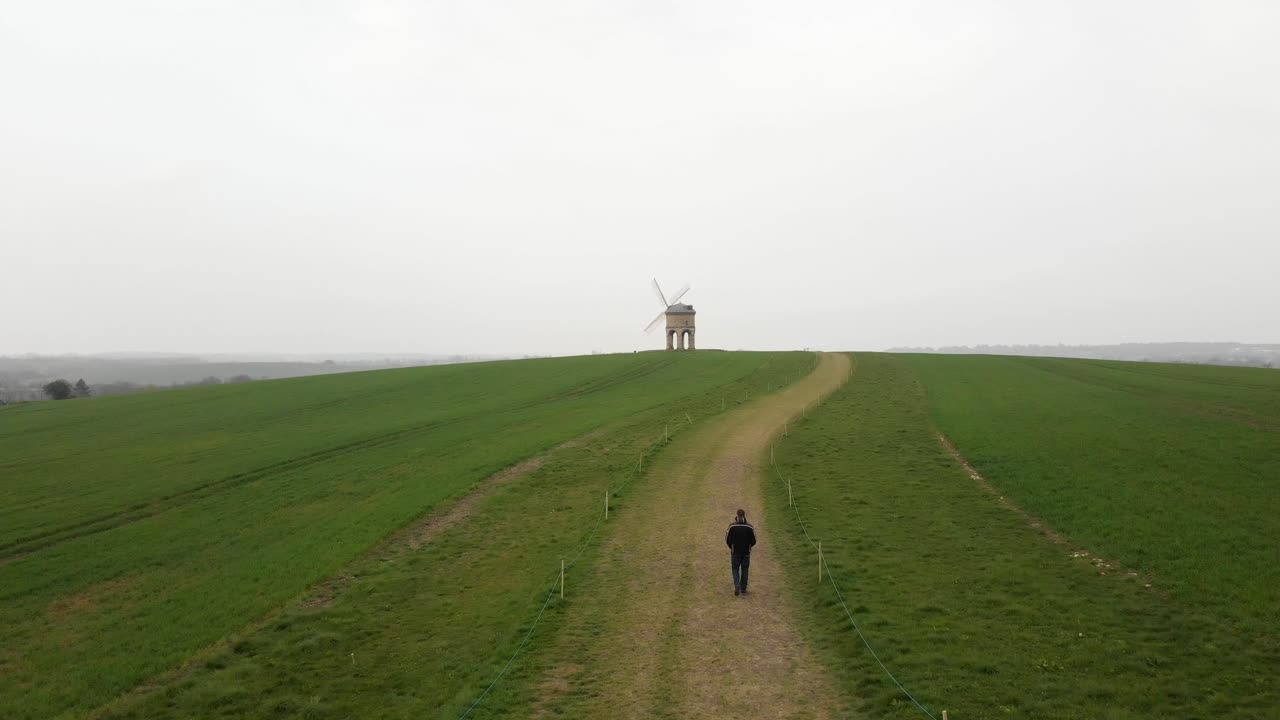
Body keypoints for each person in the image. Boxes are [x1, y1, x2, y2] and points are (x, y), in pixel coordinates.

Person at [725, 509, 757, 596]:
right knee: (745, 569)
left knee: (735, 569)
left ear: (737, 515)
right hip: (746, 552)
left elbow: (727, 539)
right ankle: (743, 590)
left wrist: (731, 547)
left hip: (735, 552)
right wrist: (749, 547)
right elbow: (754, 540)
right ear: (744, 515)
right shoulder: (749, 527)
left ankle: (737, 585)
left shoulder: (732, 527)